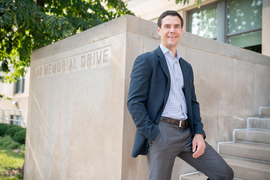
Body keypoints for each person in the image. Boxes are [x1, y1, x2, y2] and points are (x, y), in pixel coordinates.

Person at [127, 10, 234, 180]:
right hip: (162, 133)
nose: (172, 30)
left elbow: (192, 103)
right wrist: (154, 135)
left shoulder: (186, 67)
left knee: (224, 174)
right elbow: (134, 102)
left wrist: (198, 133)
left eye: (176, 26)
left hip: (187, 134)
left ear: (182, 31)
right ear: (159, 30)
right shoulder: (146, 60)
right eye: (167, 26)